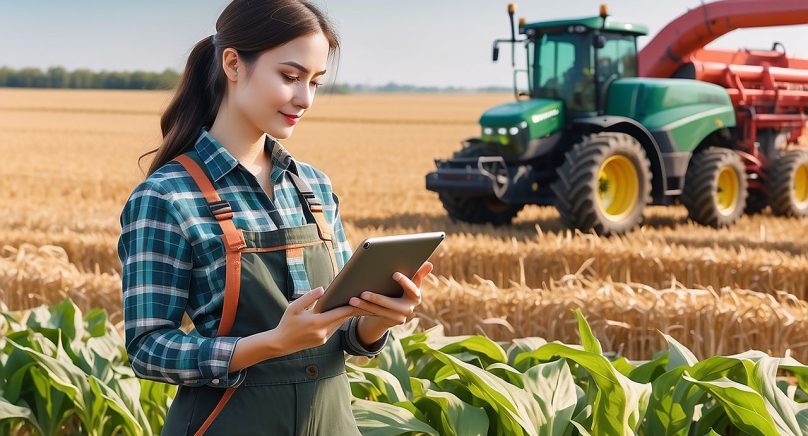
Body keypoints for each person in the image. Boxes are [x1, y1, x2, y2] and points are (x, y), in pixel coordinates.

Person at [116, 1, 434, 434]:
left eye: (315, 82)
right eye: (290, 77)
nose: (305, 98)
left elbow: (341, 333)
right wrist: (269, 344)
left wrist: (376, 320)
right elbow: (148, 348)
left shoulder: (315, 189)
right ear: (233, 63)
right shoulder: (168, 195)